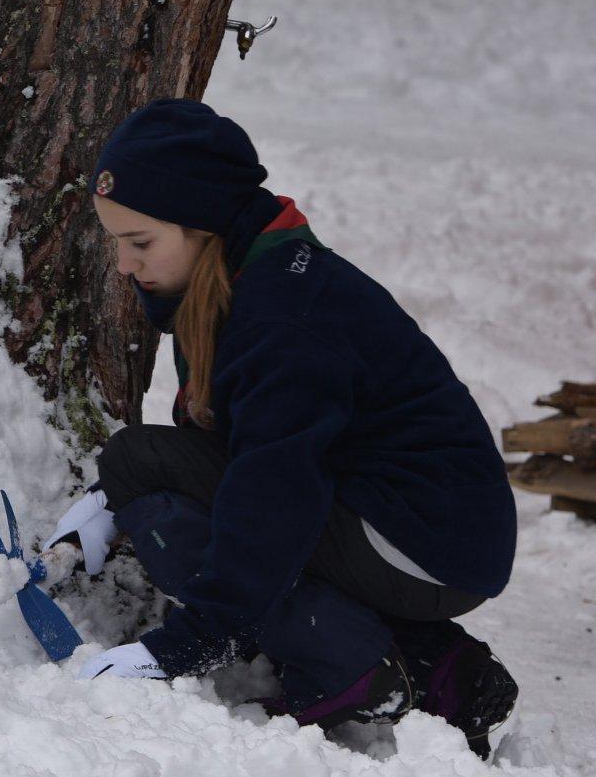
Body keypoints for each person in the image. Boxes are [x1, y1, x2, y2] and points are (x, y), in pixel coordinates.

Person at [44, 100, 519, 758]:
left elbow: (270, 499)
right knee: (152, 485)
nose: (124, 265)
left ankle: (351, 671)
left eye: (140, 242)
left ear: (202, 223)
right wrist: (108, 500)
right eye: (116, 242)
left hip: (426, 536)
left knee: (165, 495)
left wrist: (180, 647)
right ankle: (440, 671)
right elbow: (229, 451)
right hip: (415, 528)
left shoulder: (282, 315)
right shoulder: (234, 281)